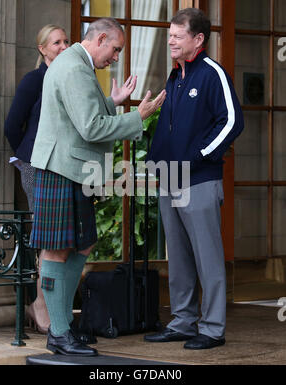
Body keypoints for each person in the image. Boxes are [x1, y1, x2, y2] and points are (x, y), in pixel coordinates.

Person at [29, 17, 166, 356]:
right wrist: (140, 116)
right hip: (63, 168)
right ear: (101, 38)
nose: (116, 57)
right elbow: (90, 128)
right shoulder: (75, 68)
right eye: (115, 49)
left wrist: (112, 101)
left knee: (83, 245)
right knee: (58, 250)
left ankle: (61, 329)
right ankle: (59, 331)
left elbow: (79, 113)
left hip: (69, 168)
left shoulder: (75, 63)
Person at [144, 8, 244, 350]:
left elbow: (232, 122)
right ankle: (183, 322)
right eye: (169, 35)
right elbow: (170, 130)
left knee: (208, 257)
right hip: (170, 179)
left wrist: (199, 156)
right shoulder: (176, 77)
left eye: (177, 36)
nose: (170, 41)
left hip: (199, 180)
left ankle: (213, 328)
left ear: (198, 39)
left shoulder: (212, 73)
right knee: (181, 257)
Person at [4, 24, 69, 334]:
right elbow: (12, 125)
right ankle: (40, 305)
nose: (63, 46)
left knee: (58, 238)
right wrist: (27, 158)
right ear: (43, 49)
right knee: (46, 237)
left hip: (62, 167)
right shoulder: (35, 80)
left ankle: (53, 305)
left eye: (66, 41)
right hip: (36, 166)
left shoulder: (69, 78)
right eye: (56, 42)